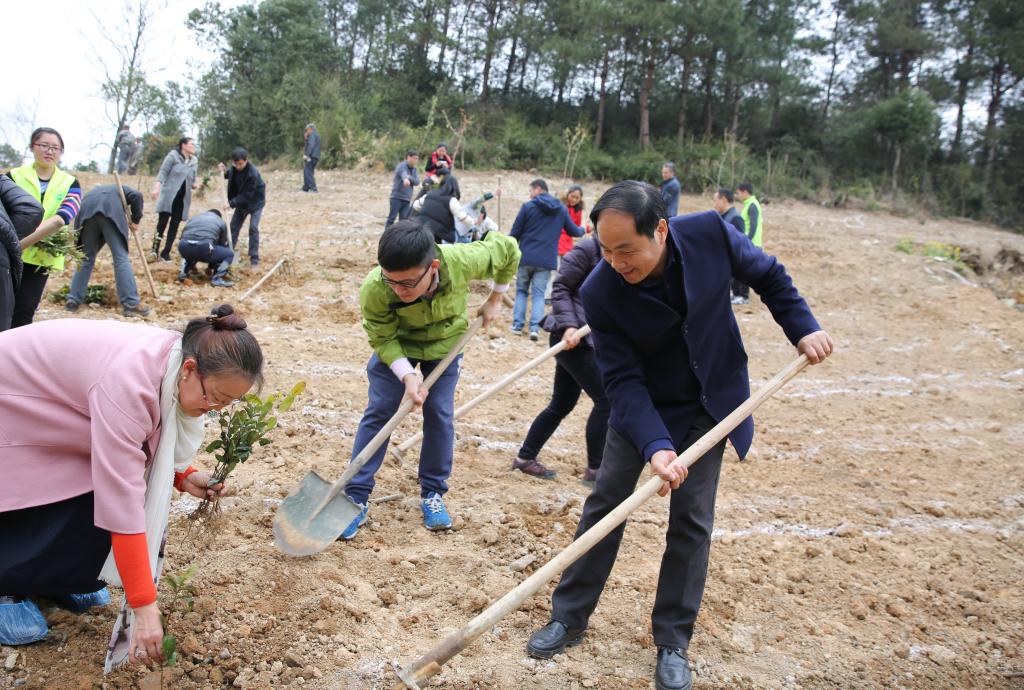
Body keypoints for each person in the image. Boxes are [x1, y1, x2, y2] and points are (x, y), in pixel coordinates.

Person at [525, 180, 833, 690]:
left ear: (661, 230)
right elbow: (622, 381)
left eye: (627, 249)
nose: (615, 262)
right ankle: (569, 616)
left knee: (691, 521)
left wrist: (802, 326)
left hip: (710, 402)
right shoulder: (600, 291)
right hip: (643, 407)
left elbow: (769, 276)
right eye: (606, 250)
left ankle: (672, 640)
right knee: (605, 506)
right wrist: (655, 446)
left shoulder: (711, 233)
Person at [0, 304, 264, 662]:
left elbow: (143, 441)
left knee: (96, 489)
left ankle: (53, 581)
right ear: (190, 369)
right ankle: (8, 586)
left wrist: (182, 475)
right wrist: (144, 606)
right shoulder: (128, 384)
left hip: (56, 405)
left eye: (227, 403)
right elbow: (122, 503)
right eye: (214, 397)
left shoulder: (171, 365)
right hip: (13, 400)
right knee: (44, 490)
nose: (214, 409)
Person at [340, 220, 520, 539]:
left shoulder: (462, 260)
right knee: (381, 410)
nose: (398, 290)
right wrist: (407, 374)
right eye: (391, 281)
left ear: (433, 267)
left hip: (446, 344)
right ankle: (355, 496)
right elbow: (381, 337)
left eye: (408, 283)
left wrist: (495, 297)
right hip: (398, 345)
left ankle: (433, 493)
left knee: (439, 413)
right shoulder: (375, 288)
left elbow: (508, 249)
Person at [513, 236, 608, 484]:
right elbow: (561, 287)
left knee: (562, 403)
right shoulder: (587, 249)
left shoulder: (623, 254)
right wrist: (569, 325)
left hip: (588, 337)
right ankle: (596, 470)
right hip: (570, 337)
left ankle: (525, 458)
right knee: (606, 400)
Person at [6, 127, 82, 328]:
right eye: (44, 145)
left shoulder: (71, 183)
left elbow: (63, 217)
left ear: (61, 152)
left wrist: (20, 242)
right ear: (32, 147)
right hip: (8, 256)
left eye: (55, 148)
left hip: (41, 256)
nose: (49, 151)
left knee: (24, 311)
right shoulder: (13, 176)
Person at [509, 179, 585, 340]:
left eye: (530, 190)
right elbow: (574, 231)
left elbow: (515, 233)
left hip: (526, 256)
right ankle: (535, 328)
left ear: (538, 189)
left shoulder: (528, 207)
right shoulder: (561, 209)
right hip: (545, 260)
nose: (530, 194)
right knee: (539, 295)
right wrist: (584, 229)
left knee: (522, 291)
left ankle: (517, 325)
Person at [66, 184, 151, 317]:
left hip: (86, 213)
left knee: (85, 258)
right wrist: (135, 220)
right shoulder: (120, 188)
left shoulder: (95, 191)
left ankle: (73, 300)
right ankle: (130, 303)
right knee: (120, 258)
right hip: (110, 212)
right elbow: (137, 196)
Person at [0, 178, 43, 331]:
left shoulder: (68, 182)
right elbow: (32, 210)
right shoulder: (10, 176)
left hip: (40, 258)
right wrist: (6, 241)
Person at [150, 137, 198, 262]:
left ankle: (166, 252)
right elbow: (163, 172)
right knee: (162, 224)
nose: (194, 146)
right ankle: (154, 250)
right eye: (191, 144)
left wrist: (195, 184)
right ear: (183, 145)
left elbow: (194, 177)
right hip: (169, 195)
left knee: (174, 225)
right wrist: (157, 187)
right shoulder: (173, 156)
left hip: (182, 198)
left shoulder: (194, 161)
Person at [218, 147, 266, 268]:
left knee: (253, 228)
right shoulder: (234, 169)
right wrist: (223, 171)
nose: (238, 166)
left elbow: (247, 195)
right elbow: (229, 175)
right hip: (241, 203)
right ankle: (228, 254)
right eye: (236, 164)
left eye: (241, 164)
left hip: (255, 203)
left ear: (246, 160)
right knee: (233, 228)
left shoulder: (252, 174)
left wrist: (231, 203)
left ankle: (254, 259)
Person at [412, 170, 476, 244]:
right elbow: (462, 218)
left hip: (420, 228)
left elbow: (415, 205)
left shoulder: (429, 194)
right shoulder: (451, 200)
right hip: (438, 235)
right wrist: (474, 222)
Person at [176, 209, 235, 287]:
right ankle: (217, 278)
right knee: (229, 254)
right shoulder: (221, 222)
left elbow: (184, 237)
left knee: (192, 247)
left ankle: (183, 273)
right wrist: (211, 267)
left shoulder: (194, 218)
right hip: (203, 248)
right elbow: (220, 245)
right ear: (219, 216)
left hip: (183, 246)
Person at [732, 182, 763, 305]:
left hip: (751, 243)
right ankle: (737, 294)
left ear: (745, 192)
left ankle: (744, 296)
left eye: (738, 193)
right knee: (739, 268)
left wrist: (747, 241)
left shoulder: (752, 205)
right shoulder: (748, 204)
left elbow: (753, 225)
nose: (737, 196)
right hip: (748, 242)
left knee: (744, 270)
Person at [387, 149, 420, 228]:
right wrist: (405, 179)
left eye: (417, 159)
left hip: (407, 199)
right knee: (391, 218)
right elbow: (403, 174)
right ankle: (386, 233)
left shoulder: (414, 169)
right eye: (414, 158)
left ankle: (400, 235)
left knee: (403, 221)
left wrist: (409, 178)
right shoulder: (401, 166)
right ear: (408, 157)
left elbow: (417, 181)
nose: (416, 161)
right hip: (396, 198)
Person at [302, 124, 320, 193]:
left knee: (307, 172)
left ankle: (313, 188)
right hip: (315, 156)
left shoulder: (312, 135)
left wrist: (307, 155)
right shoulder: (316, 135)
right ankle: (305, 188)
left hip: (311, 156)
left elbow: (311, 146)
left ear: (311, 129)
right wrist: (306, 139)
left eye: (307, 130)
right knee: (308, 171)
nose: (306, 131)